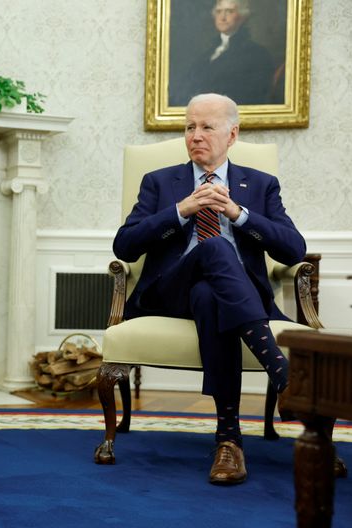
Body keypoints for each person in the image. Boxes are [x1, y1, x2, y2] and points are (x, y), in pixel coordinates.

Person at [113, 93, 304, 485]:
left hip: (230, 297)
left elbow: (293, 248)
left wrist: (239, 213)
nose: (195, 135)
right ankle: (282, 375)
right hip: (167, 294)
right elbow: (125, 245)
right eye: (189, 126)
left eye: (207, 127)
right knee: (214, 247)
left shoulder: (261, 185)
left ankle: (228, 441)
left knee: (209, 295)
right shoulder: (161, 182)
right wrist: (181, 210)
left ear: (231, 134)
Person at [170, 0, 281, 106]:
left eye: (229, 11)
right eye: (219, 11)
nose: (222, 17)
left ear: (242, 17)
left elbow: (253, 96)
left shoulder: (257, 54)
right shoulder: (207, 54)